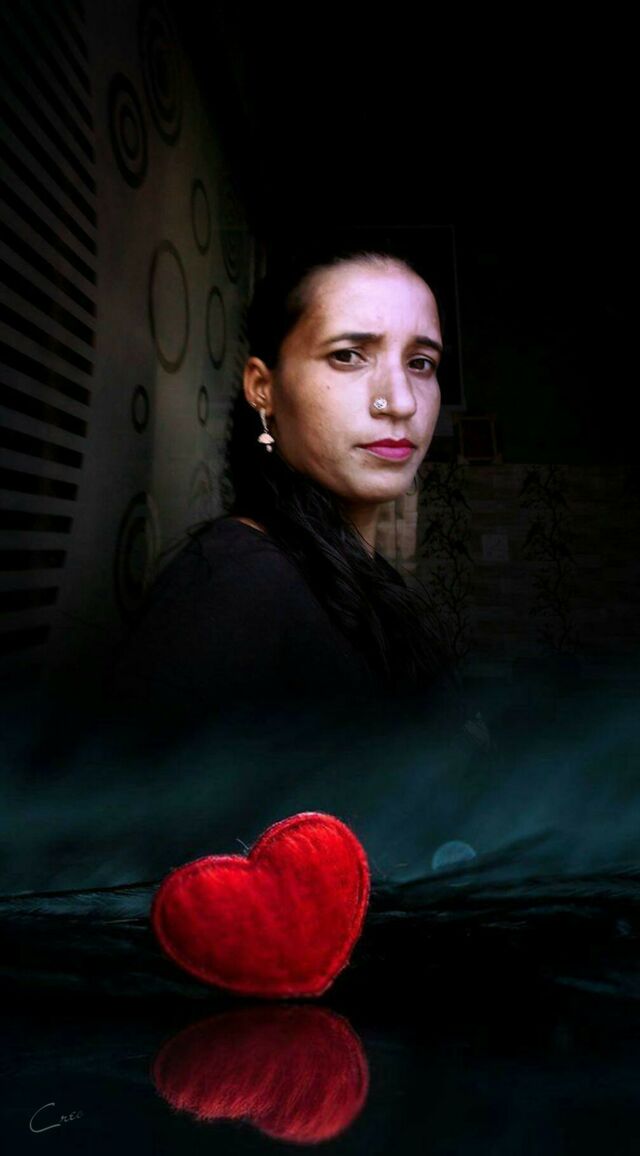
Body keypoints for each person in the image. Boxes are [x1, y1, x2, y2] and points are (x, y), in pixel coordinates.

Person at [104, 236, 469, 744]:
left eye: (420, 363)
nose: (401, 401)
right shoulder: (233, 587)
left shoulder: (362, 574)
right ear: (263, 388)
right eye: (348, 356)